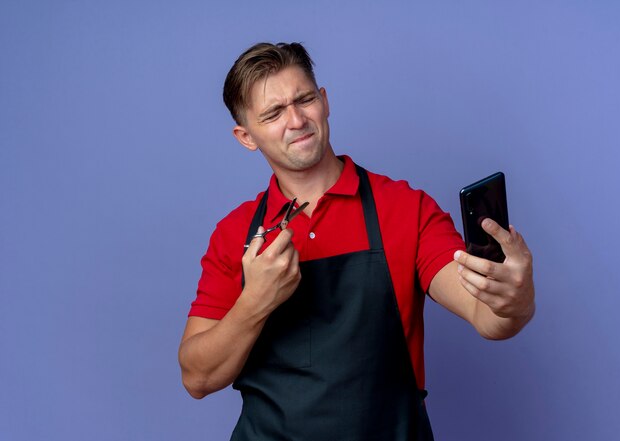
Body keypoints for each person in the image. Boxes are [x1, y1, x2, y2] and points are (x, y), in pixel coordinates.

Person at [178, 42, 535, 440]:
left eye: (305, 99)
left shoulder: (404, 208)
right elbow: (197, 378)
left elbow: (488, 317)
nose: (296, 119)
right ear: (246, 136)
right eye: (274, 113)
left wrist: (515, 299)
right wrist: (254, 302)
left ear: (324, 101)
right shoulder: (235, 234)